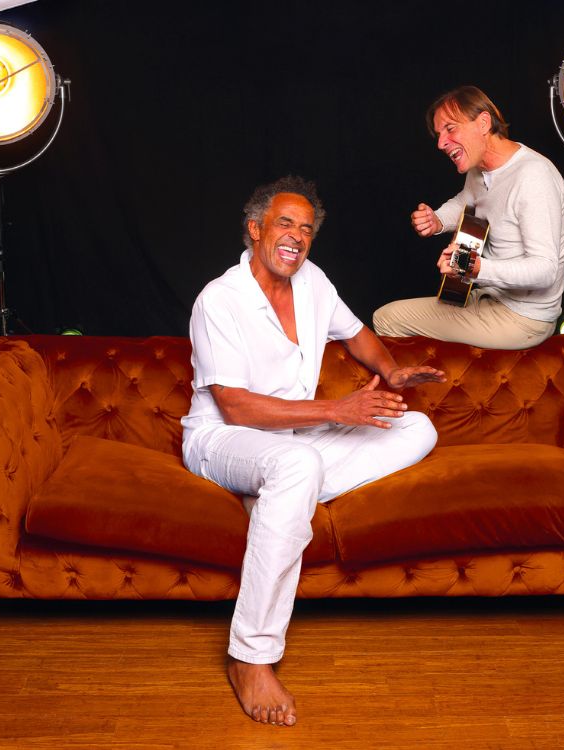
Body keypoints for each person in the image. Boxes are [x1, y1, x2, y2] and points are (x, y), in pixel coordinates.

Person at [181, 175, 446, 727]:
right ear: (255, 229)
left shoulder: (314, 282)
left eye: (306, 229)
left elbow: (356, 333)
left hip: (294, 442)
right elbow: (235, 407)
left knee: (417, 428)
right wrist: (338, 411)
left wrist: (392, 370)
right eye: (285, 223)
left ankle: (282, 498)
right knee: (297, 464)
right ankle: (250, 656)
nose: (297, 237)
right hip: (221, 440)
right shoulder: (219, 299)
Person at [373, 85, 564, 349]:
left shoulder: (534, 177)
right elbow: (466, 201)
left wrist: (476, 268)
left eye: (450, 129)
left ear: (483, 123)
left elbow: (545, 270)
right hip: (490, 298)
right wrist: (437, 220)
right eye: (439, 134)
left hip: (524, 318)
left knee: (386, 320)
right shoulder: (479, 168)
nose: (441, 143)